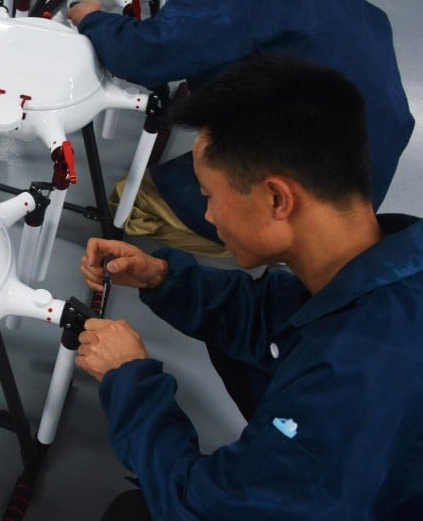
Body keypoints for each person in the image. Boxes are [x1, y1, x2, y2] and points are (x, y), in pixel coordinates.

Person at [75, 55, 423, 520]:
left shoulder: (350, 383)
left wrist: (129, 378)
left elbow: (202, 509)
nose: (209, 215)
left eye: (209, 196)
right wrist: (162, 278)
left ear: (277, 198)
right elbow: (278, 316)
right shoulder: (386, 261)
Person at [66, 0, 414, 257]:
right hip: (368, 148)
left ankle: (288, 244)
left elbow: (145, 54)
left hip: (324, 182)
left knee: (130, 202)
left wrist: (92, 18)